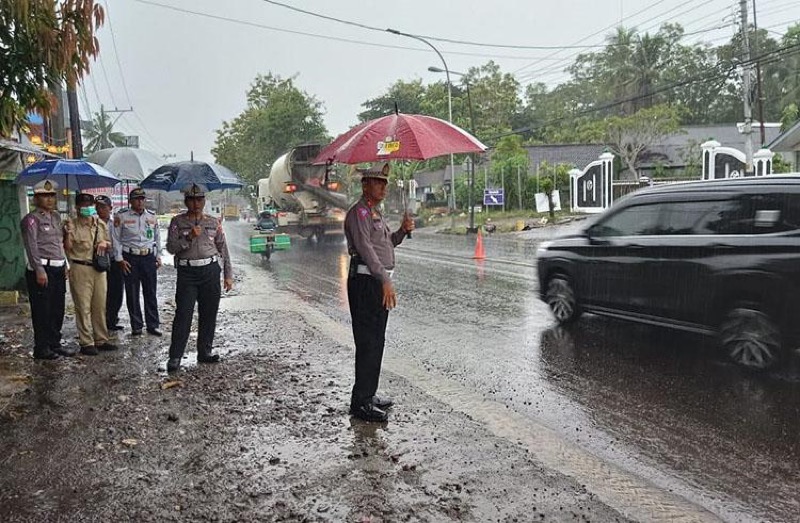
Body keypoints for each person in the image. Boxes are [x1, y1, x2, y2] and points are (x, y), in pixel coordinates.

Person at [344, 163, 415, 422]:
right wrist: (385, 279)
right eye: (378, 182)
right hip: (366, 282)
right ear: (365, 185)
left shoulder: (376, 213)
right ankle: (360, 402)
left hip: (376, 282)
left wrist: (403, 232)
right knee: (367, 342)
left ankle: (369, 394)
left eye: (385, 183)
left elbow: (387, 245)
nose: (383, 187)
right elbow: (365, 248)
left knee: (377, 341)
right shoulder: (359, 214)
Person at [165, 183, 233, 373]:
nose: (196, 203)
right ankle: (175, 356)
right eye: (192, 200)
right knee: (183, 314)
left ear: (204, 201)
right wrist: (189, 238)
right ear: (186, 201)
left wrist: (228, 275)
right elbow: (171, 248)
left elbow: (223, 249)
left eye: (199, 199)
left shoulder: (213, 222)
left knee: (209, 314)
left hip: (210, 271)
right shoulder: (177, 222)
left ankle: (205, 352)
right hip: (187, 273)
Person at [20, 179, 70, 360]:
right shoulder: (31, 220)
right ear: (36, 198)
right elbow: (31, 247)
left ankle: (55, 343)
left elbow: (58, 244)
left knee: (58, 309)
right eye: (44, 196)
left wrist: (65, 264)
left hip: (57, 268)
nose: (49, 200)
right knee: (43, 310)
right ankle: (41, 347)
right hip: (41, 270)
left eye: (51, 196)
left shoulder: (56, 218)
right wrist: (39, 270)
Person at [64, 193, 117, 355]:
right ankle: (87, 342)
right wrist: (68, 232)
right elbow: (67, 247)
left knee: (100, 305)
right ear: (77, 207)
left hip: (98, 269)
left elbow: (109, 243)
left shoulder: (99, 224)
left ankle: (101, 339)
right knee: (83, 306)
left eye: (88, 205)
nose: (85, 208)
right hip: (80, 268)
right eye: (82, 205)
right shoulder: (70, 224)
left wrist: (103, 243)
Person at [113, 188, 162, 336]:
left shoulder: (152, 217)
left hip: (148, 257)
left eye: (142, 199)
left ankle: (153, 324)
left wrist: (158, 255)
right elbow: (115, 238)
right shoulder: (121, 216)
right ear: (130, 201)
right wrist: (119, 259)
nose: (140, 202)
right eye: (136, 199)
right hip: (130, 258)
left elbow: (157, 237)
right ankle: (136, 325)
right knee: (132, 293)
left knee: (150, 291)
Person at [94, 195, 124, 332]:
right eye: (98, 206)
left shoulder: (116, 223)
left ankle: (112, 319)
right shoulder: (93, 223)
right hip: (99, 261)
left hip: (114, 260)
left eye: (103, 207)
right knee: (100, 293)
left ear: (110, 208)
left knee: (116, 292)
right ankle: (100, 321)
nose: (100, 209)